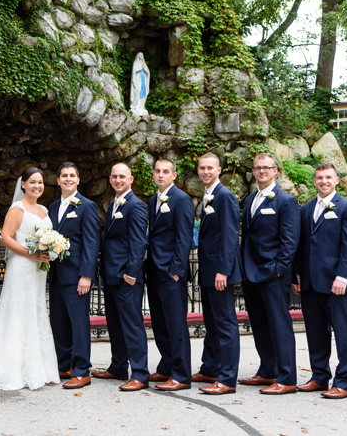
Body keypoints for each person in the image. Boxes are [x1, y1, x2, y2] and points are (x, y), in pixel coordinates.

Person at [0, 167, 59, 390]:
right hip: (22, 265)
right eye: (32, 182)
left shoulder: (43, 209)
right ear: (23, 184)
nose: (37, 186)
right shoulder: (18, 208)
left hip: (38, 269)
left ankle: (37, 366)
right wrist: (30, 253)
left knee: (34, 308)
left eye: (40, 182)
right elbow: (4, 237)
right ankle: (13, 368)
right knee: (17, 309)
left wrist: (51, 249)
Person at [292, 162, 347, 399]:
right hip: (310, 282)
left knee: (343, 333)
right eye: (319, 177)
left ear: (337, 180)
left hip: (336, 282)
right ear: (314, 181)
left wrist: (343, 276)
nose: (324, 181)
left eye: (328, 177)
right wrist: (297, 276)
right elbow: (300, 245)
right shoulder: (305, 209)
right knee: (315, 332)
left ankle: (344, 381)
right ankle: (319, 377)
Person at [238, 153, 300, 395]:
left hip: (273, 273)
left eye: (266, 168)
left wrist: (280, 269)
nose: (261, 172)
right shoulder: (249, 199)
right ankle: (267, 371)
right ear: (253, 172)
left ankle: (287, 378)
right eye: (257, 168)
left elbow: (290, 240)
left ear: (276, 170)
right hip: (250, 272)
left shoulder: (286, 201)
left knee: (279, 325)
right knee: (260, 324)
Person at [91, 163, 150, 391]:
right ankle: (117, 366)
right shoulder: (114, 203)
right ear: (109, 179)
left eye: (122, 176)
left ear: (131, 179)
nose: (118, 180)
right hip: (112, 275)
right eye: (114, 176)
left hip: (126, 277)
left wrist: (131, 275)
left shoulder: (135, 206)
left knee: (132, 325)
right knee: (114, 324)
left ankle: (140, 373)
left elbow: (138, 243)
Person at [192, 153, 242, 395]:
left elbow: (230, 237)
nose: (205, 171)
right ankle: (210, 367)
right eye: (202, 168)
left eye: (209, 168)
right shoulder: (208, 195)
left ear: (219, 170)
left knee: (225, 324)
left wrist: (224, 270)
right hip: (208, 271)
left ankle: (227, 378)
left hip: (219, 272)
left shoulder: (225, 196)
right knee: (211, 322)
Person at [48, 162, 101, 389]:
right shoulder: (51, 207)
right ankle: (65, 365)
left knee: (79, 324)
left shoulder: (87, 206)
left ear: (78, 180)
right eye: (64, 175)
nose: (68, 179)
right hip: (57, 275)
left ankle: (82, 370)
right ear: (58, 180)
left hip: (77, 276)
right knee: (59, 323)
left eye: (72, 175)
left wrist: (86, 275)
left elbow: (91, 242)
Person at [145, 159, 195, 391]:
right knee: (160, 324)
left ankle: (181, 375)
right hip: (154, 271)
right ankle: (166, 367)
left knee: (176, 325)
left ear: (174, 175)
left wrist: (176, 271)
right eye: (157, 171)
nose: (161, 175)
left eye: (166, 172)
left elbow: (184, 238)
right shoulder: (154, 200)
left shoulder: (182, 199)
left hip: (170, 273)